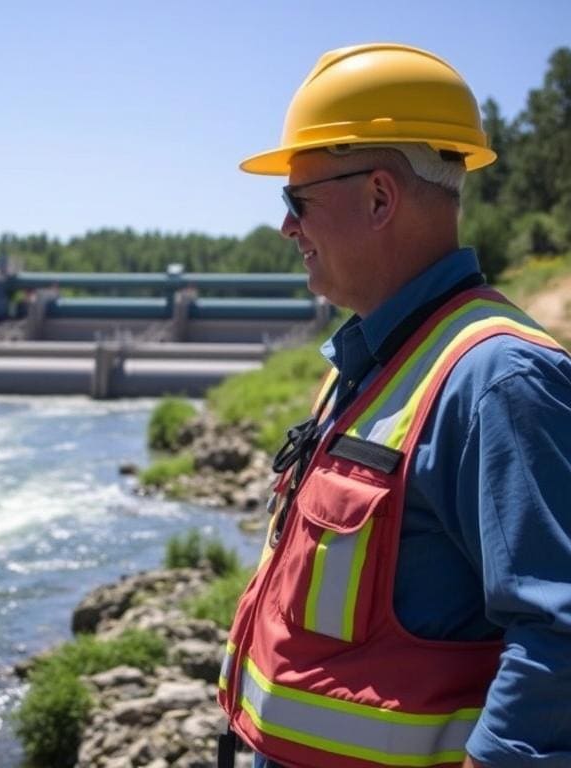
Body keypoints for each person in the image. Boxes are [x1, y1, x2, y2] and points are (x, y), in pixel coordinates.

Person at [216, 43, 571, 768]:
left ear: (380, 197)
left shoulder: (499, 379)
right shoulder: (372, 363)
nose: (286, 227)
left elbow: (559, 638)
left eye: (297, 199)